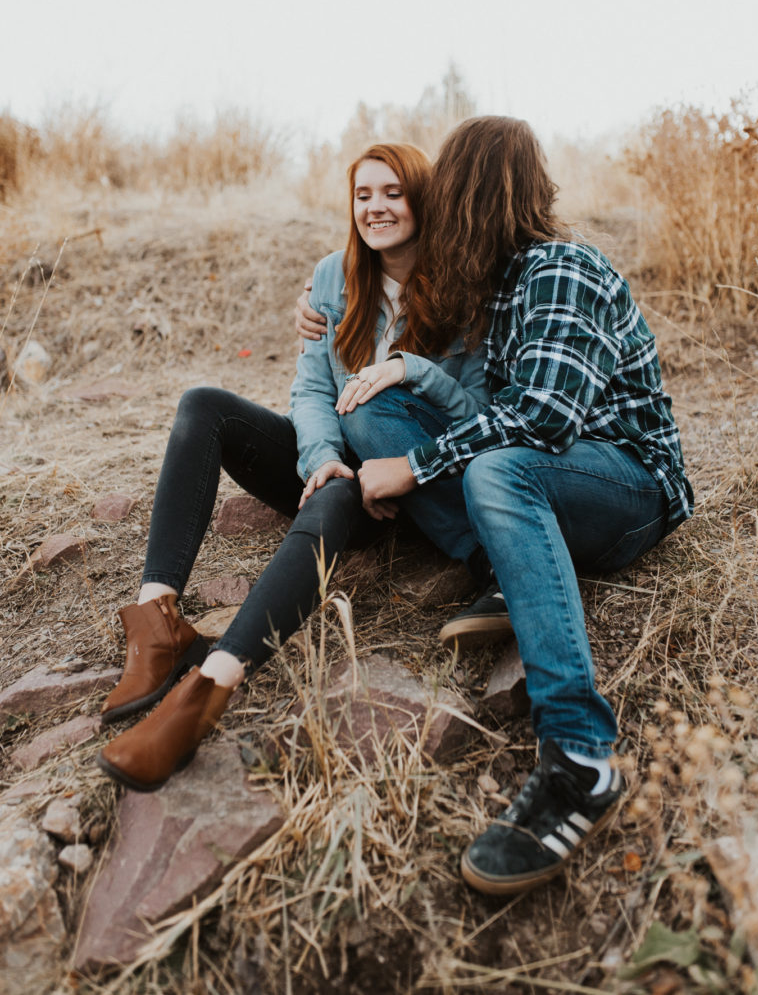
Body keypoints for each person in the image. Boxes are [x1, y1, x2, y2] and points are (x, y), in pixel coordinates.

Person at [296, 115, 694, 896]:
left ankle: (580, 755)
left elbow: (543, 421)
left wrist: (413, 468)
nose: (432, 212)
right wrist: (316, 304)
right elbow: (395, 321)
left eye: (444, 195)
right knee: (381, 412)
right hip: (554, 489)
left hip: (630, 488)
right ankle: (507, 565)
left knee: (498, 472)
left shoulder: (560, 267)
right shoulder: (496, 284)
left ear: (474, 197)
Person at [96, 142, 493, 793]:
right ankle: (157, 620)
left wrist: (406, 389)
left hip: (415, 483)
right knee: (206, 406)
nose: (376, 208)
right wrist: (323, 457)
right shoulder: (334, 278)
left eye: (392, 192)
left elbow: (477, 415)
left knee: (338, 495)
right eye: (363, 195)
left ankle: (211, 683)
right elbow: (311, 390)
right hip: (336, 468)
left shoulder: (463, 288)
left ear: (424, 198)